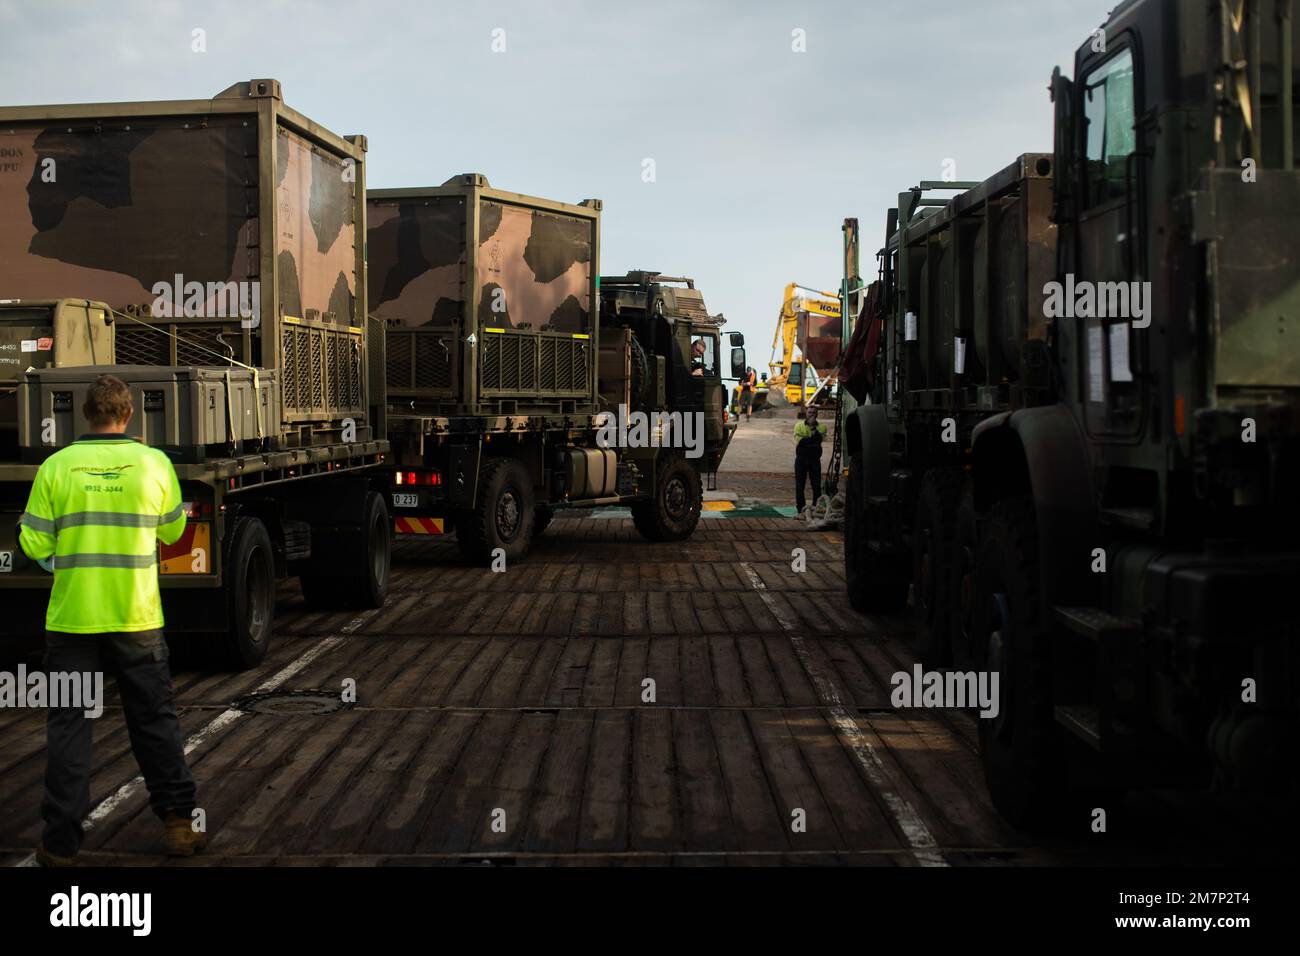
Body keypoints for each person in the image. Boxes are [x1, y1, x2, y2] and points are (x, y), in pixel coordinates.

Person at [18, 374, 207, 866]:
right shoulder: (154, 463)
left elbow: (33, 544)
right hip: (136, 619)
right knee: (154, 722)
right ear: (129, 415)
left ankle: (59, 844)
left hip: (73, 621)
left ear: (86, 414)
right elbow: (173, 532)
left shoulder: (56, 467)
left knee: (68, 729)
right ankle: (180, 826)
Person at [793, 405, 827, 515]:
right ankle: (800, 508)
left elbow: (819, 440)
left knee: (816, 485)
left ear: (816, 414)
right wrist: (812, 440)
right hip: (801, 458)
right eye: (809, 412)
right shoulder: (798, 426)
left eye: (813, 412)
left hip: (814, 459)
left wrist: (812, 428)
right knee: (800, 485)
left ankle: (816, 508)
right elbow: (800, 441)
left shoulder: (822, 427)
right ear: (806, 414)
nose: (811, 414)